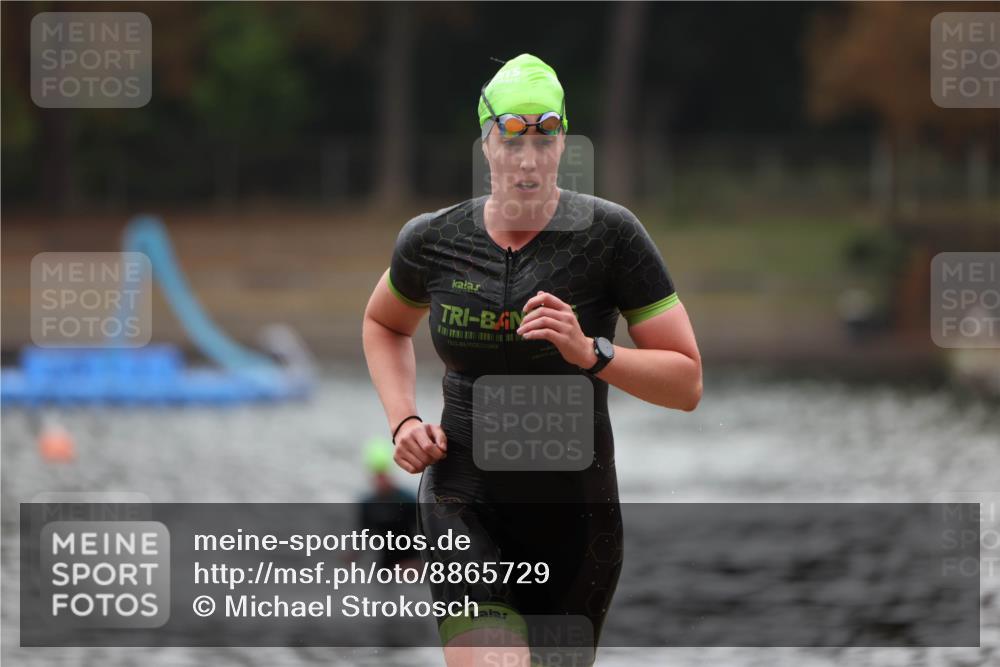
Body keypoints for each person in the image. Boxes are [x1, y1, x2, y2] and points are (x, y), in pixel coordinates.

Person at [363, 53, 701, 667]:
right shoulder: (434, 240)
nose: (528, 159)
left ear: (564, 141)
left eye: (545, 139)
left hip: (578, 522)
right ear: (485, 142)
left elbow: (686, 382)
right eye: (511, 139)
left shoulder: (611, 237)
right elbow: (384, 323)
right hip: (462, 501)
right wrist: (403, 421)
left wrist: (592, 353)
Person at [357, 437, 420, 569]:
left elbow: (422, 533)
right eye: (378, 476)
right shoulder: (367, 504)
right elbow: (363, 535)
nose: (381, 480)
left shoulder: (407, 500)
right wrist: (352, 556)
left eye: (384, 475)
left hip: (411, 561)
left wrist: (420, 562)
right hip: (385, 564)